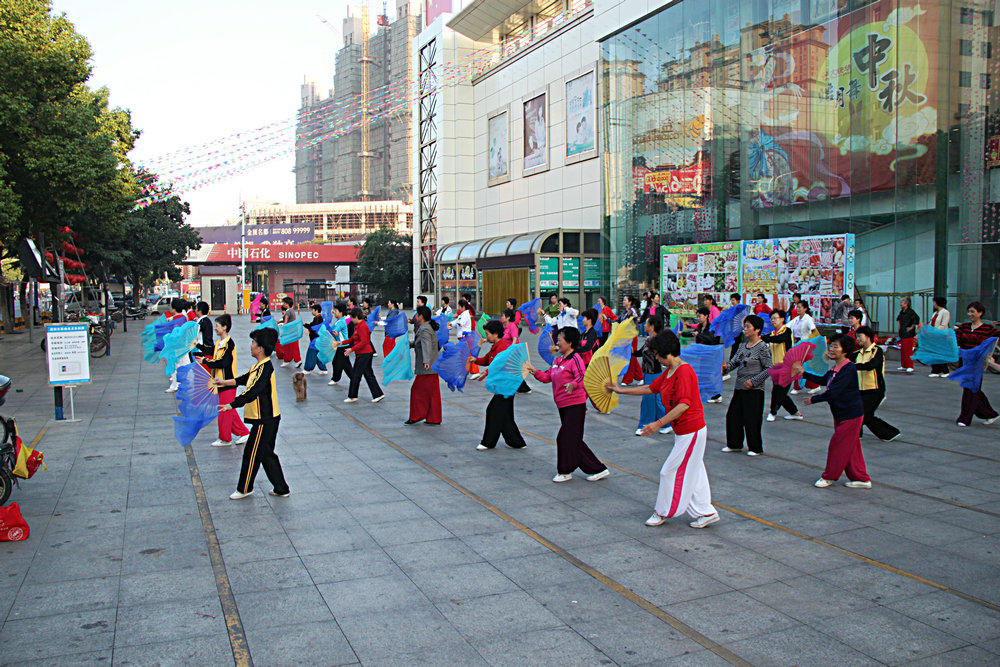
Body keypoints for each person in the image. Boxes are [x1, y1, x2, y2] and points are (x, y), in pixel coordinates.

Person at [609, 330, 719, 529]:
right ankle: (706, 511)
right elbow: (650, 388)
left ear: (667, 352)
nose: (657, 359)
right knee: (695, 472)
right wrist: (621, 390)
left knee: (668, 471)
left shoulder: (684, 372)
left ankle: (663, 512)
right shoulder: (669, 372)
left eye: (658, 355)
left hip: (691, 431)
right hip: (683, 432)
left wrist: (657, 424)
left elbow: (684, 404)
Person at [525, 327, 609, 483]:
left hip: (575, 405)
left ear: (570, 342)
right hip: (562, 405)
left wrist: (573, 384)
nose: (557, 343)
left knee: (564, 438)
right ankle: (599, 469)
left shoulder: (575, 359)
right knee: (573, 439)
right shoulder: (557, 360)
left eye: (560, 340)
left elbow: (582, 377)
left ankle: (565, 471)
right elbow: (546, 377)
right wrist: (534, 371)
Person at [214, 328, 290, 500]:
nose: (251, 346)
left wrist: (231, 405)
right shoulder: (259, 366)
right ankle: (281, 487)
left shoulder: (265, 369)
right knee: (266, 453)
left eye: (253, 343)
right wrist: (224, 382)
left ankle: (245, 488)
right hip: (266, 418)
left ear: (260, 348)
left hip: (265, 419)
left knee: (252, 453)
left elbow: (252, 392)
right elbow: (244, 379)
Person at [795, 335, 872, 489]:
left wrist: (814, 400)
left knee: (837, 445)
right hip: (841, 413)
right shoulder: (836, 368)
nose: (831, 349)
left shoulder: (848, 369)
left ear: (845, 351)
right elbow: (824, 381)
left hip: (851, 414)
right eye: (831, 346)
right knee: (851, 448)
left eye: (836, 346)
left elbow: (833, 392)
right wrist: (803, 373)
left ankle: (829, 476)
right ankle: (862, 478)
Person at [194, 314, 251, 448]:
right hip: (219, 381)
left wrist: (205, 361)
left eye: (217, 326)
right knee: (228, 409)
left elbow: (224, 362)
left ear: (224, 327)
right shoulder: (220, 343)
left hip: (228, 381)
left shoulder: (229, 344)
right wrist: (198, 346)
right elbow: (211, 350)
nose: (215, 329)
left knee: (224, 410)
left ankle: (225, 439)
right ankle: (244, 432)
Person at [720, 315, 773, 456]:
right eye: (745, 326)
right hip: (739, 387)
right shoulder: (743, 346)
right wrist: (725, 368)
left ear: (757, 330)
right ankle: (734, 444)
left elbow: (769, 369)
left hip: (754, 389)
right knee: (733, 416)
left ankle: (755, 447)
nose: (745, 329)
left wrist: (754, 381)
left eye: (748, 327)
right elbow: (734, 362)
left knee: (752, 418)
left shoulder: (762, 347)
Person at [472, 320, 527, 450]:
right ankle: (517, 442)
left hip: (506, 386)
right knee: (505, 415)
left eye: (488, 334)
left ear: (496, 334)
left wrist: (485, 373)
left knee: (493, 410)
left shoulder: (502, 348)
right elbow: (487, 360)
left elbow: (498, 365)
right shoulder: (495, 346)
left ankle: (488, 442)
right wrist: (474, 360)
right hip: (502, 386)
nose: (486, 337)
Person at [954, 302, 999, 427]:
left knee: (971, 389)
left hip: (977, 363)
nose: (970, 314)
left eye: (973, 311)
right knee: (972, 389)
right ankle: (990, 413)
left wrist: (989, 356)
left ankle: (965, 418)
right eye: (969, 311)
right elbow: (955, 340)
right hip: (964, 361)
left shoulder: (988, 329)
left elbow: (995, 339)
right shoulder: (964, 327)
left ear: (980, 313)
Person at [852, 326, 900, 441]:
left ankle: (890, 433)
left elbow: (871, 366)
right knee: (857, 412)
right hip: (860, 389)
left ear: (868, 336)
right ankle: (857, 434)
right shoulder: (859, 353)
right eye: (856, 337)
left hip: (874, 389)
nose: (858, 339)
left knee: (866, 415)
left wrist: (853, 366)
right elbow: (844, 358)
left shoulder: (877, 351)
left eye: (860, 336)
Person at [761, 309, 802, 422]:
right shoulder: (772, 333)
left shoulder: (787, 331)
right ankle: (795, 412)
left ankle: (772, 412)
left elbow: (780, 339)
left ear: (782, 319)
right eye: (771, 319)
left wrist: (764, 338)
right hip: (776, 368)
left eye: (775, 318)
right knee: (781, 393)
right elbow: (766, 339)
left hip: (788, 367)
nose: (773, 321)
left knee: (777, 391)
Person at [632, 315, 670, 436]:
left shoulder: (658, 340)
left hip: (654, 373)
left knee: (649, 399)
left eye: (647, 323)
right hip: (648, 373)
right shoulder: (649, 339)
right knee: (656, 400)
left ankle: (645, 425)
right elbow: (639, 353)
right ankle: (666, 424)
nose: (644, 325)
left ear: (652, 326)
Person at [404, 306, 442, 425]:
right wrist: (411, 344)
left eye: (417, 314)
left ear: (421, 316)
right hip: (432, 366)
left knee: (416, 390)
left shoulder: (425, 329)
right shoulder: (428, 327)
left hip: (427, 367)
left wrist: (426, 361)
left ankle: (416, 415)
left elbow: (426, 345)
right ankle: (433, 418)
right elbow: (423, 343)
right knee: (433, 393)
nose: (415, 317)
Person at [340, 306, 385, 404]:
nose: (351, 320)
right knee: (368, 374)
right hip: (364, 353)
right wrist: (341, 343)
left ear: (356, 317)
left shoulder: (363, 326)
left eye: (352, 318)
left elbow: (364, 341)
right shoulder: (358, 326)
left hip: (364, 354)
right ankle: (378, 394)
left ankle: (352, 396)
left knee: (356, 375)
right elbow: (352, 339)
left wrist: (351, 349)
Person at [789, 302, 820, 395]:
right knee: (802, 367)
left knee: (799, 366)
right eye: (797, 307)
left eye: (799, 307)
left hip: (806, 346)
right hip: (797, 345)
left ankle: (798, 387)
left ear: (805, 308)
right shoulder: (796, 319)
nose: (797, 309)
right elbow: (787, 326)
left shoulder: (808, 319)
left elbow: (813, 329)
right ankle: (814, 385)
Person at [500, 308, 531, 394]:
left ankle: (524, 388)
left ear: (508, 317)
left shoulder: (512, 326)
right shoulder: (504, 327)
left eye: (503, 316)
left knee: (513, 371)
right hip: (507, 352)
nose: (502, 317)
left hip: (514, 353)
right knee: (511, 371)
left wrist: (510, 350)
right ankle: (519, 387)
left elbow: (515, 339)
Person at [165, 297, 187, 393]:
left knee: (175, 366)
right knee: (183, 364)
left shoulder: (176, 319)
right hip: (183, 345)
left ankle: (175, 385)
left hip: (177, 346)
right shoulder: (183, 317)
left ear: (173, 308)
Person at [620, 295, 643, 385]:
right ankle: (640, 376)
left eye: (625, 300)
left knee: (630, 356)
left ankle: (627, 379)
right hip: (626, 336)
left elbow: (635, 317)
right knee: (630, 357)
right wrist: (608, 320)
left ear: (629, 302)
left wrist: (632, 315)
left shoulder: (632, 310)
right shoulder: (624, 312)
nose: (623, 301)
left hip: (632, 336)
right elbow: (618, 321)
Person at [328, 302, 354, 386]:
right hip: (340, 345)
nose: (335, 312)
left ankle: (336, 378)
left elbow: (336, 329)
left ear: (341, 312)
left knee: (338, 363)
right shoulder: (337, 321)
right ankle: (354, 377)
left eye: (336, 311)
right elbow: (330, 329)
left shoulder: (341, 322)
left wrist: (334, 332)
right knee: (344, 364)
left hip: (342, 346)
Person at [302, 304, 328, 376]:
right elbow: (312, 326)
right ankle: (323, 369)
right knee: (318, 355)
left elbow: (315, 328)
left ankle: (308, 369)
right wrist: (305, 324)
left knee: (311, 353)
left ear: (316, 311)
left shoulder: (319, 319)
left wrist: (310, 330)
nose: (312, 311)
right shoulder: (317, 318)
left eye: (313, 310)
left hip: (316, 340)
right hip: (317, 340)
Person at [928, 297, 952, 377]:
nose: (934, 304)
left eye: (934, 302)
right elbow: (931, 322)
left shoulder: (945, 312)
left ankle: (945, 371)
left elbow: (944, 324)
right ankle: (935, 370)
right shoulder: (935, 313)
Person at [896, 297, 920, 373]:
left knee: (908, 350)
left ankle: (910, 366)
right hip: (902, 333)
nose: (900, 304)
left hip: (909, 334)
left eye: (902, 302)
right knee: (903, 350)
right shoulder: (901, 312)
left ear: (906, 304)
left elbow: (917, 319)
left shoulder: (911, 312)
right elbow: (898, 320)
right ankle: (904, 365)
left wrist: (911, 327)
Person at [277, 297, 303, 368]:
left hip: (289, 332)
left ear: (287, 304)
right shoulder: (292, 311)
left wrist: (281, 326)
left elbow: (286, 322)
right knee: (292, 346)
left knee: (289, 347)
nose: (283, 304)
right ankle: (288, 360)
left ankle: (296, 360)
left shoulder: (288, 312)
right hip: (293, 331)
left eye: (284, 303)